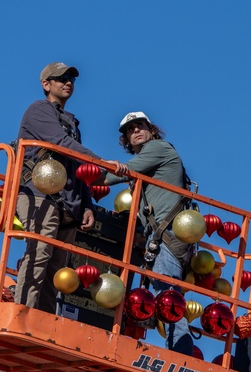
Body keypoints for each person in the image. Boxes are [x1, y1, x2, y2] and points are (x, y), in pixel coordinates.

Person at [14, 62, 126, 314]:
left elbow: (77, 166)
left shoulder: (72, 123)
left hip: (67, 203)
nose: (68, 82)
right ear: (46, 84)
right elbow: (61, 143)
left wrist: (87, 204)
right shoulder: (39, 110)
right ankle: (22, 313)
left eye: (71, 79)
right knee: (39, 255)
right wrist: (102, 162)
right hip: (40, 195)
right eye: (61, 78)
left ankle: (41, 321)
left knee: (57, 268)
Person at [106, 111, 193, 355]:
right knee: (164, 296)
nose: (136, 130)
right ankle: (179, 352)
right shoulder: (147, 163)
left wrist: (81, 173)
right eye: (130, 129)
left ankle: (182, 357)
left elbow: (110, 175)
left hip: (167, 236)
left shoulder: (157, 149)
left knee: (168, 299)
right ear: (126, 138)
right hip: (163, 236)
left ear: (151, 129)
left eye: (140, 125)